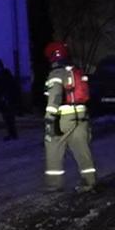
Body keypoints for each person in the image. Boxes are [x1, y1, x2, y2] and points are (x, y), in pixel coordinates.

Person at [43, 41, 96, 192]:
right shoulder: (76, 71)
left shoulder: (56, 74)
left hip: (63, 119)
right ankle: (89, 181)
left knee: (53, 147)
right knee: (82, 150)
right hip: (81, 116)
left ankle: (54, 184)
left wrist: (49, 119)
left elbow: (55, 97)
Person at [0, 58, 21, 140]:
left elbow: (6, 88)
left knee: (9, 118)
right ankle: (11, 134)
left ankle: (13, 134)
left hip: (7, 100)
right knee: (7, 118)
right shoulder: (0, 76)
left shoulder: (4, 75)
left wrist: (6, 98)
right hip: (4, 100)